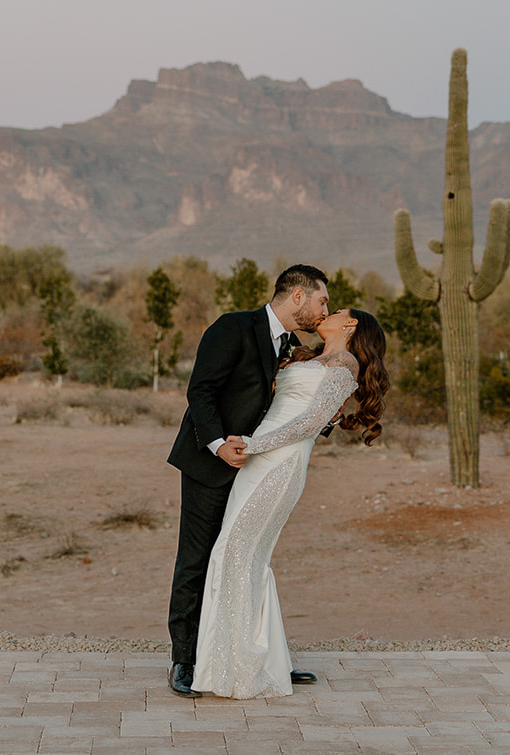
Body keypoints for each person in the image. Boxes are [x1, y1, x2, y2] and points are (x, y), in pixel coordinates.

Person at [191, 307, 388, 699]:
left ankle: (241, 666)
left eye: (334, 311)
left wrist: (252, 444)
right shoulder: (310, 355)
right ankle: (247, 660)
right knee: (241, 555)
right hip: (259, 457)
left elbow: (309, 422)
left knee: (237, 552)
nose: (324, 313)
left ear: (350, 325)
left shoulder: (344, 362)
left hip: (279, 462)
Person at [166, 264, 330, 697]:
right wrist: (218, 444)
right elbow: (200, 391)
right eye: (322, 300)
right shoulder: (233, 328)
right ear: (298, 296)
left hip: (255, 473)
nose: (324, 309)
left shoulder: (293, 346)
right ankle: (184, 661)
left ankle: (252, 656)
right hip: (209, 464)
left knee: (246, 560)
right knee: (197, 561)